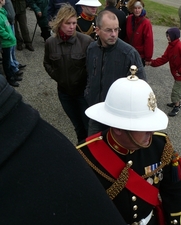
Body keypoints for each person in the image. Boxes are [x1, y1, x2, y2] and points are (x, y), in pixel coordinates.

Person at [0, 75, 127, 225]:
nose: (149, 135)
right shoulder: (85, 154)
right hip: (72, 92)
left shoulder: (158, 145)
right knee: (83, 128)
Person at [77, 70, 181, 225]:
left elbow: (173, 192)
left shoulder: (160, 145)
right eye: (143, 126)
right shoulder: (85, 156)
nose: (152, 131)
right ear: (118, 128)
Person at [84, 10, 146, 135]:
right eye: (108, 30)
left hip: (118, 118)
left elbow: (141, 87)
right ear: (97, 30)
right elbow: (90, 75)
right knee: (93, 148)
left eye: (116, 29)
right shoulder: (91, 49)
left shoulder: (129, 54)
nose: (113, 34)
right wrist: (88, 93)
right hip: (96, 112)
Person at [43, 4, 94, 143]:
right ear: (60, 23)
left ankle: (91, 153)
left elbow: (93, 66)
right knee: (77, 126)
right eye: (68, 23)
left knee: (88, 125)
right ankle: (81, 148)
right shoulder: (50, 42)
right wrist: (57, 76)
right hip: (64, 94)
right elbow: (46, 63)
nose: (72, 27)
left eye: (74, 23)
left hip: (82, 94)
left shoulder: (86, 41)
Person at [147, 27, 181, 117]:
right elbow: (164, 58)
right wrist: (152, 63)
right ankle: (176, 102)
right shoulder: (171, 46)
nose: (167, 37)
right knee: (177, 90)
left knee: (176, 91)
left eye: (169, 35)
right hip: (177, 74)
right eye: (167, 35)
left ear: (174, 36)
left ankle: (177, 106)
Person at [0, 0, 21, 87]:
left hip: (8, 42)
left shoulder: (3, 12)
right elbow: (1, 30)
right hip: (5, 42)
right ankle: (9, 78)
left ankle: (12, 74)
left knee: (8, 59)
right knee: (6, 61)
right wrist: (10, 36)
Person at [125, 0, 153, 66]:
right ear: (132, 9)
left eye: (139, 8)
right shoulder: (129, 19)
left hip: (139, 56)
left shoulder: (146, 23)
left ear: (142, 8)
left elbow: (148, 41)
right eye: (135, 8)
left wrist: (148, 58)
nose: (137, 10)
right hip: (128, 53)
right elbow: (126, 36)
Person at [3, 0, 26, 77]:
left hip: (11, 22)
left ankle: (15, 63)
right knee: (9, 49)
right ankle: (13, 68)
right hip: (7, 23)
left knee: (13, 48)